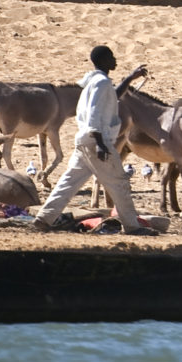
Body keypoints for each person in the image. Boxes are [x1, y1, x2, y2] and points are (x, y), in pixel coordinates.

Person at [32, 45, 153, 235]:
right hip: (96, 140)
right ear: (104, 60)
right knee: (119, 182)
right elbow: (95, 114)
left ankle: (44, 218)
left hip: (84, 141)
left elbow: (113, 96)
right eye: (111, 57)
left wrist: (130, 77)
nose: (115, 60)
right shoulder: (101, 83)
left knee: (69, 182)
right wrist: (101, 143)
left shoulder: (96, 82)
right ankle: (132, 226)